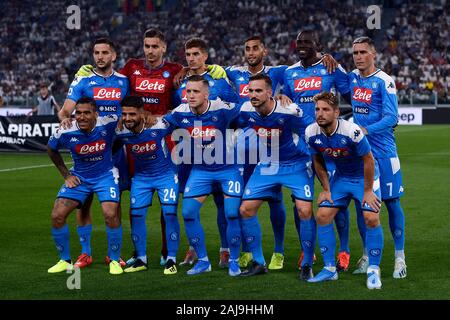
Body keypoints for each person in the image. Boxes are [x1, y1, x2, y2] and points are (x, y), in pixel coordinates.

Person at [76, 29, 227, 266]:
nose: (150, 51)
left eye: (155, 46)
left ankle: (170, 253)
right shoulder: (132, 68)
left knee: (170, 201)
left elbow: (189, 92)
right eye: (147, 46)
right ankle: (139, 254)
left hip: (166, 140)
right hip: (135, 141)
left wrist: (214, 69)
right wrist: (86, 71)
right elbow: (109, 78)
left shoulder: (177, 71)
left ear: (164, 48)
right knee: (137, 197)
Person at [283, 29, 352, 272]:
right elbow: (285, 101)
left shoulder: (332, 67)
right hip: (301, 147)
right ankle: (307, 250)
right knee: (300, 203)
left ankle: (343, 250)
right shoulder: (290, 73)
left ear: (317, 44)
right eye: (299, 42)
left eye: (307, 42)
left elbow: (352, 95)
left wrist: (344, 125)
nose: (302, 46)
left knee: (336, 200)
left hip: (330, 146)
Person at [58, 38, 129, 269]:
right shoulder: (83, 80)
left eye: (105, 52)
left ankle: (113, 255)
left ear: (114, 55)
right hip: (89, 150)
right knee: (83, 203)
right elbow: (65, 110)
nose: (100, 57)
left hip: (116, 149)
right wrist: (67, 119)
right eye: (96, 52)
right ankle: (85, 253)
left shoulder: (124, 81)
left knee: (113, 204)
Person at [237, 74, 315, 280]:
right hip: (268, 164)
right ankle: (258, 262)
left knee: (304, 211)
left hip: (296, 163)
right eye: (250, 91)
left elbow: (311, 130)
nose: (253, 95)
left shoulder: (289, 110)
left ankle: (307, 264)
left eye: (258, 91)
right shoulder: (245, 110)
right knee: (246, 209)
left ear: (270, 92)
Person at [164, 75, 243, 277]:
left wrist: (278, 100)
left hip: (228, 169)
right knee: (188, 212)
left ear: (206, 94)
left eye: (196, 91)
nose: (190, 95)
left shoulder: (221, 108)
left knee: (232, 213)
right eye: (188, 91)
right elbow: (160, 123)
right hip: (200, 171)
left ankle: (234, 260)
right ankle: (203, 261)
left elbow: (249, 108)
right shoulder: (180, 112)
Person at [305, 92, 383, 289]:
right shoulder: (311, 132)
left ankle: (374, 270)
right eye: (317, 109)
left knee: (371, 218)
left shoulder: (352, 131)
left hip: (366, 178)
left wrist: (367, 191)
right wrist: (326, 188)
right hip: (341, 179)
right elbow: (317, 160)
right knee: (322, 215)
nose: (320, 114)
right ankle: (330, 269)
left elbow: (369, 160)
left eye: (325, 109)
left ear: (336, 112)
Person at [173, 37, 240, 269]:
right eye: (188, 54)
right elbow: (180, 115)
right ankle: (194, 250)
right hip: (190, 154)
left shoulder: (220, 81)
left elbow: (236, 110)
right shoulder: (181, 82)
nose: (191, 58)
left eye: (195, 54)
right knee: (189, 206)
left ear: (205, 56)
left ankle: (226, 250)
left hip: (221, 153)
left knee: (225, 206)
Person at [349, 36, 407, 279]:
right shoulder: (352, 77)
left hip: (384, 154)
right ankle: (366, 255)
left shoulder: (385, 81)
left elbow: (392, 118)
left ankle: (399, 258)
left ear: (373, 54)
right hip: (362, 154)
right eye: (355, 53)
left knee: (392, 203)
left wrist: (366, 129)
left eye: (363, 52)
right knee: (364, 205)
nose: (359, 56)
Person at [47, 97, 124, 275]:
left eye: (86, 113)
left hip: (105, 176)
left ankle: (114, 259)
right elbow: (51, 149)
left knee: (110, 214)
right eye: (78, 113)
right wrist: (66, 175)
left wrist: (111, 152)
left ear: (96, 114)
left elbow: (126, 125)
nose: (81, 117)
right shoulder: (66, 130)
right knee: (57, 215)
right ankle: (65, 260)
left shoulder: (108, 123)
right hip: (80, 177)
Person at [115, 96, 180, 275]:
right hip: (141, 178)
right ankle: (141, 259)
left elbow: (180, 119)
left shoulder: (159, 125)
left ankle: (171, 259)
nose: (127, 118)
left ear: (142, 113)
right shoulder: (120, 131)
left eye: (132, 114)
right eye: (125, 114)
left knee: (169, 214)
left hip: (166, 176)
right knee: (136, 215)